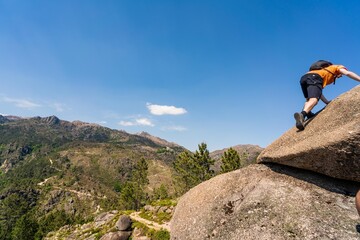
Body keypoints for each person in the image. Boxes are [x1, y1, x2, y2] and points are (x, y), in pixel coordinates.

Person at [294, 61, 360, 130]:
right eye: (341, 74)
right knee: (314, 99)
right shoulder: (337, 67)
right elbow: (348, 73)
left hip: (304, 78)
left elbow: (319, 93)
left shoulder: (322, 72)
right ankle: (303, 114)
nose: (341, 76)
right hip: (314, 77)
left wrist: (326, 102)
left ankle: (308, 113)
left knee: (309, 99)